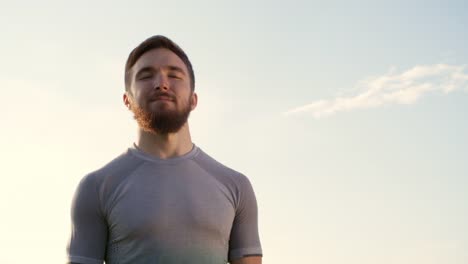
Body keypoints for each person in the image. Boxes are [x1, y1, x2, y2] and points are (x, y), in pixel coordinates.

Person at [67, 35, 263, 264]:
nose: (161, 83)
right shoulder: (96, 188)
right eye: (146, 75)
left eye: (174, 75)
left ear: (193, 99)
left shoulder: (236, 187)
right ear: (126, 99)